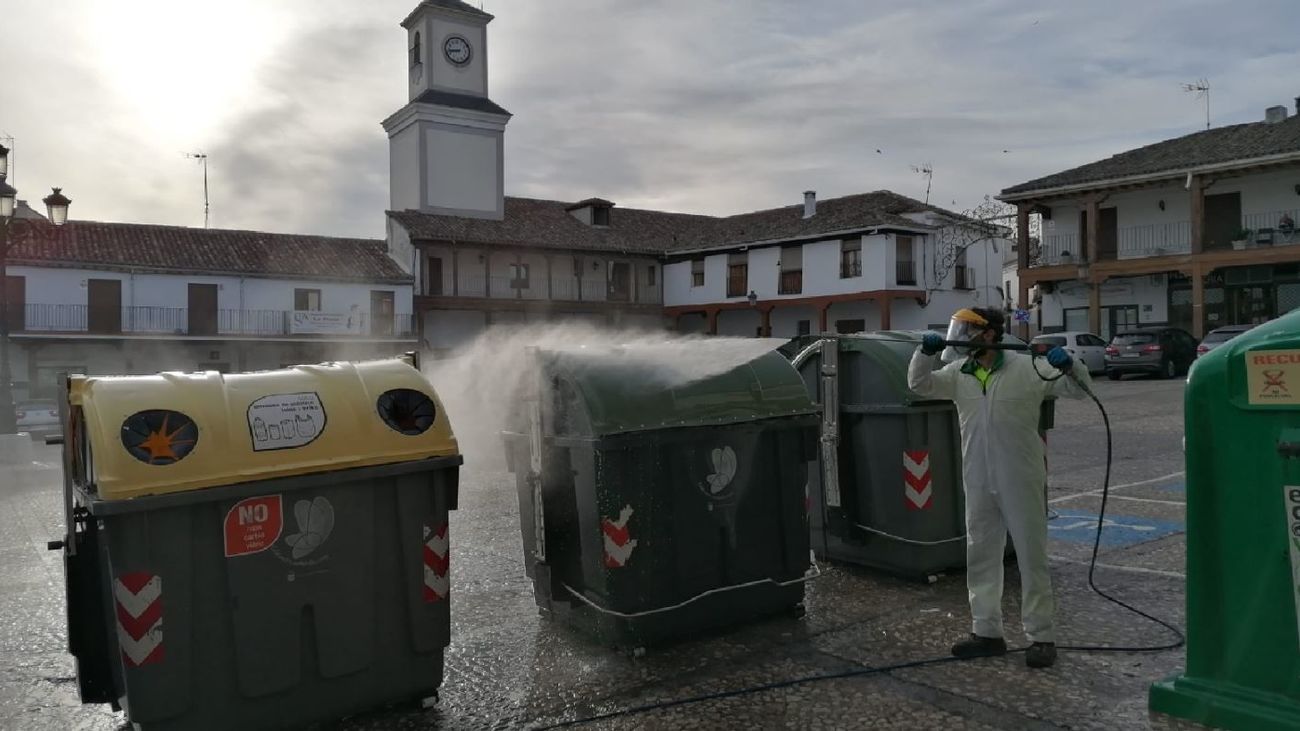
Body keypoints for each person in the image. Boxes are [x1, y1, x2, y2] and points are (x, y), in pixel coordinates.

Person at [907, 307, 1091, 669]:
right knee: (981, 553)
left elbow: (1080, 390)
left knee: (1031, 556)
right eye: (956, 329)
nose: (958, 336)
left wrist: (1069, 364)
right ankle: (986, 631)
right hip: (977, 478)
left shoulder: (1028, 368)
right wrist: (923, 353)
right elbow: (919, 384)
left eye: (967, 330)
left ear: (989, 334)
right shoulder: (959, 374)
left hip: (1020, 477)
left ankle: (1041, 636)